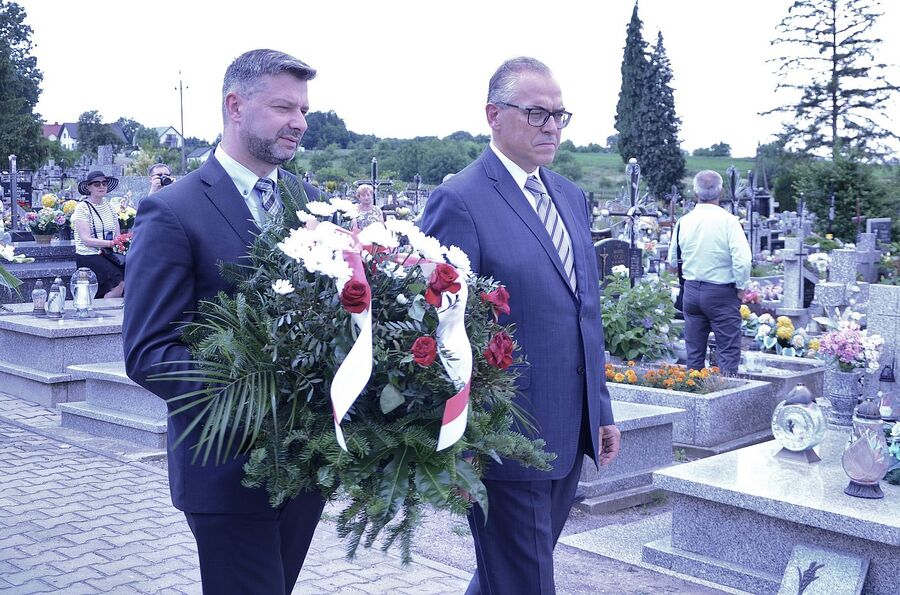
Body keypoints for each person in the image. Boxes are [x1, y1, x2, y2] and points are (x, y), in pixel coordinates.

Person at [122, 49, 324, 595]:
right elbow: (149, 351)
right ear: (235, 106)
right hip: (226, 467)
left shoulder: (305, 201)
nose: (300, 123)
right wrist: (257, 392)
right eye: (284, 107)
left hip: (304, 467)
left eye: (304, 109)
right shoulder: (173, 209)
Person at [420, 57, 620, 595]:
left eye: (559, 114)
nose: (551, 126)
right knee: (525, 581)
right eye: (536, 113)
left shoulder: (569, 196)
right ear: (494, 115)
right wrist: (459, 437)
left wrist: (599, 410)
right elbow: (439, 327)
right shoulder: (460, 200)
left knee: (505, 576)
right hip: (504, 436)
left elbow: (586, 313)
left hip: (568, 427)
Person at [667, 170, 751, 374]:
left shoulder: (683, 222)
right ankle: (725, 398)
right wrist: (741, 287)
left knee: (694, 353)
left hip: (691, 291)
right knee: (728, 352)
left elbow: (671, 262)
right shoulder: (729, 221)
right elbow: (743, 259)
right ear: (720, 191)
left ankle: (694, 395)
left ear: (695, 191)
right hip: (721, 293)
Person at [71, 170, 125, 298]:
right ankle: (106, 310)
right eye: (96, 184)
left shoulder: (109, 206)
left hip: (108, 253)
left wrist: (122, 243)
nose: (101, 187)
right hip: (89, 254)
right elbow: (86, 240)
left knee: (130, 275)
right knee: (119, 282)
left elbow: (116, 234)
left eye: (104, 183)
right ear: (89, 187)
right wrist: (111, 243)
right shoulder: (82, 207)